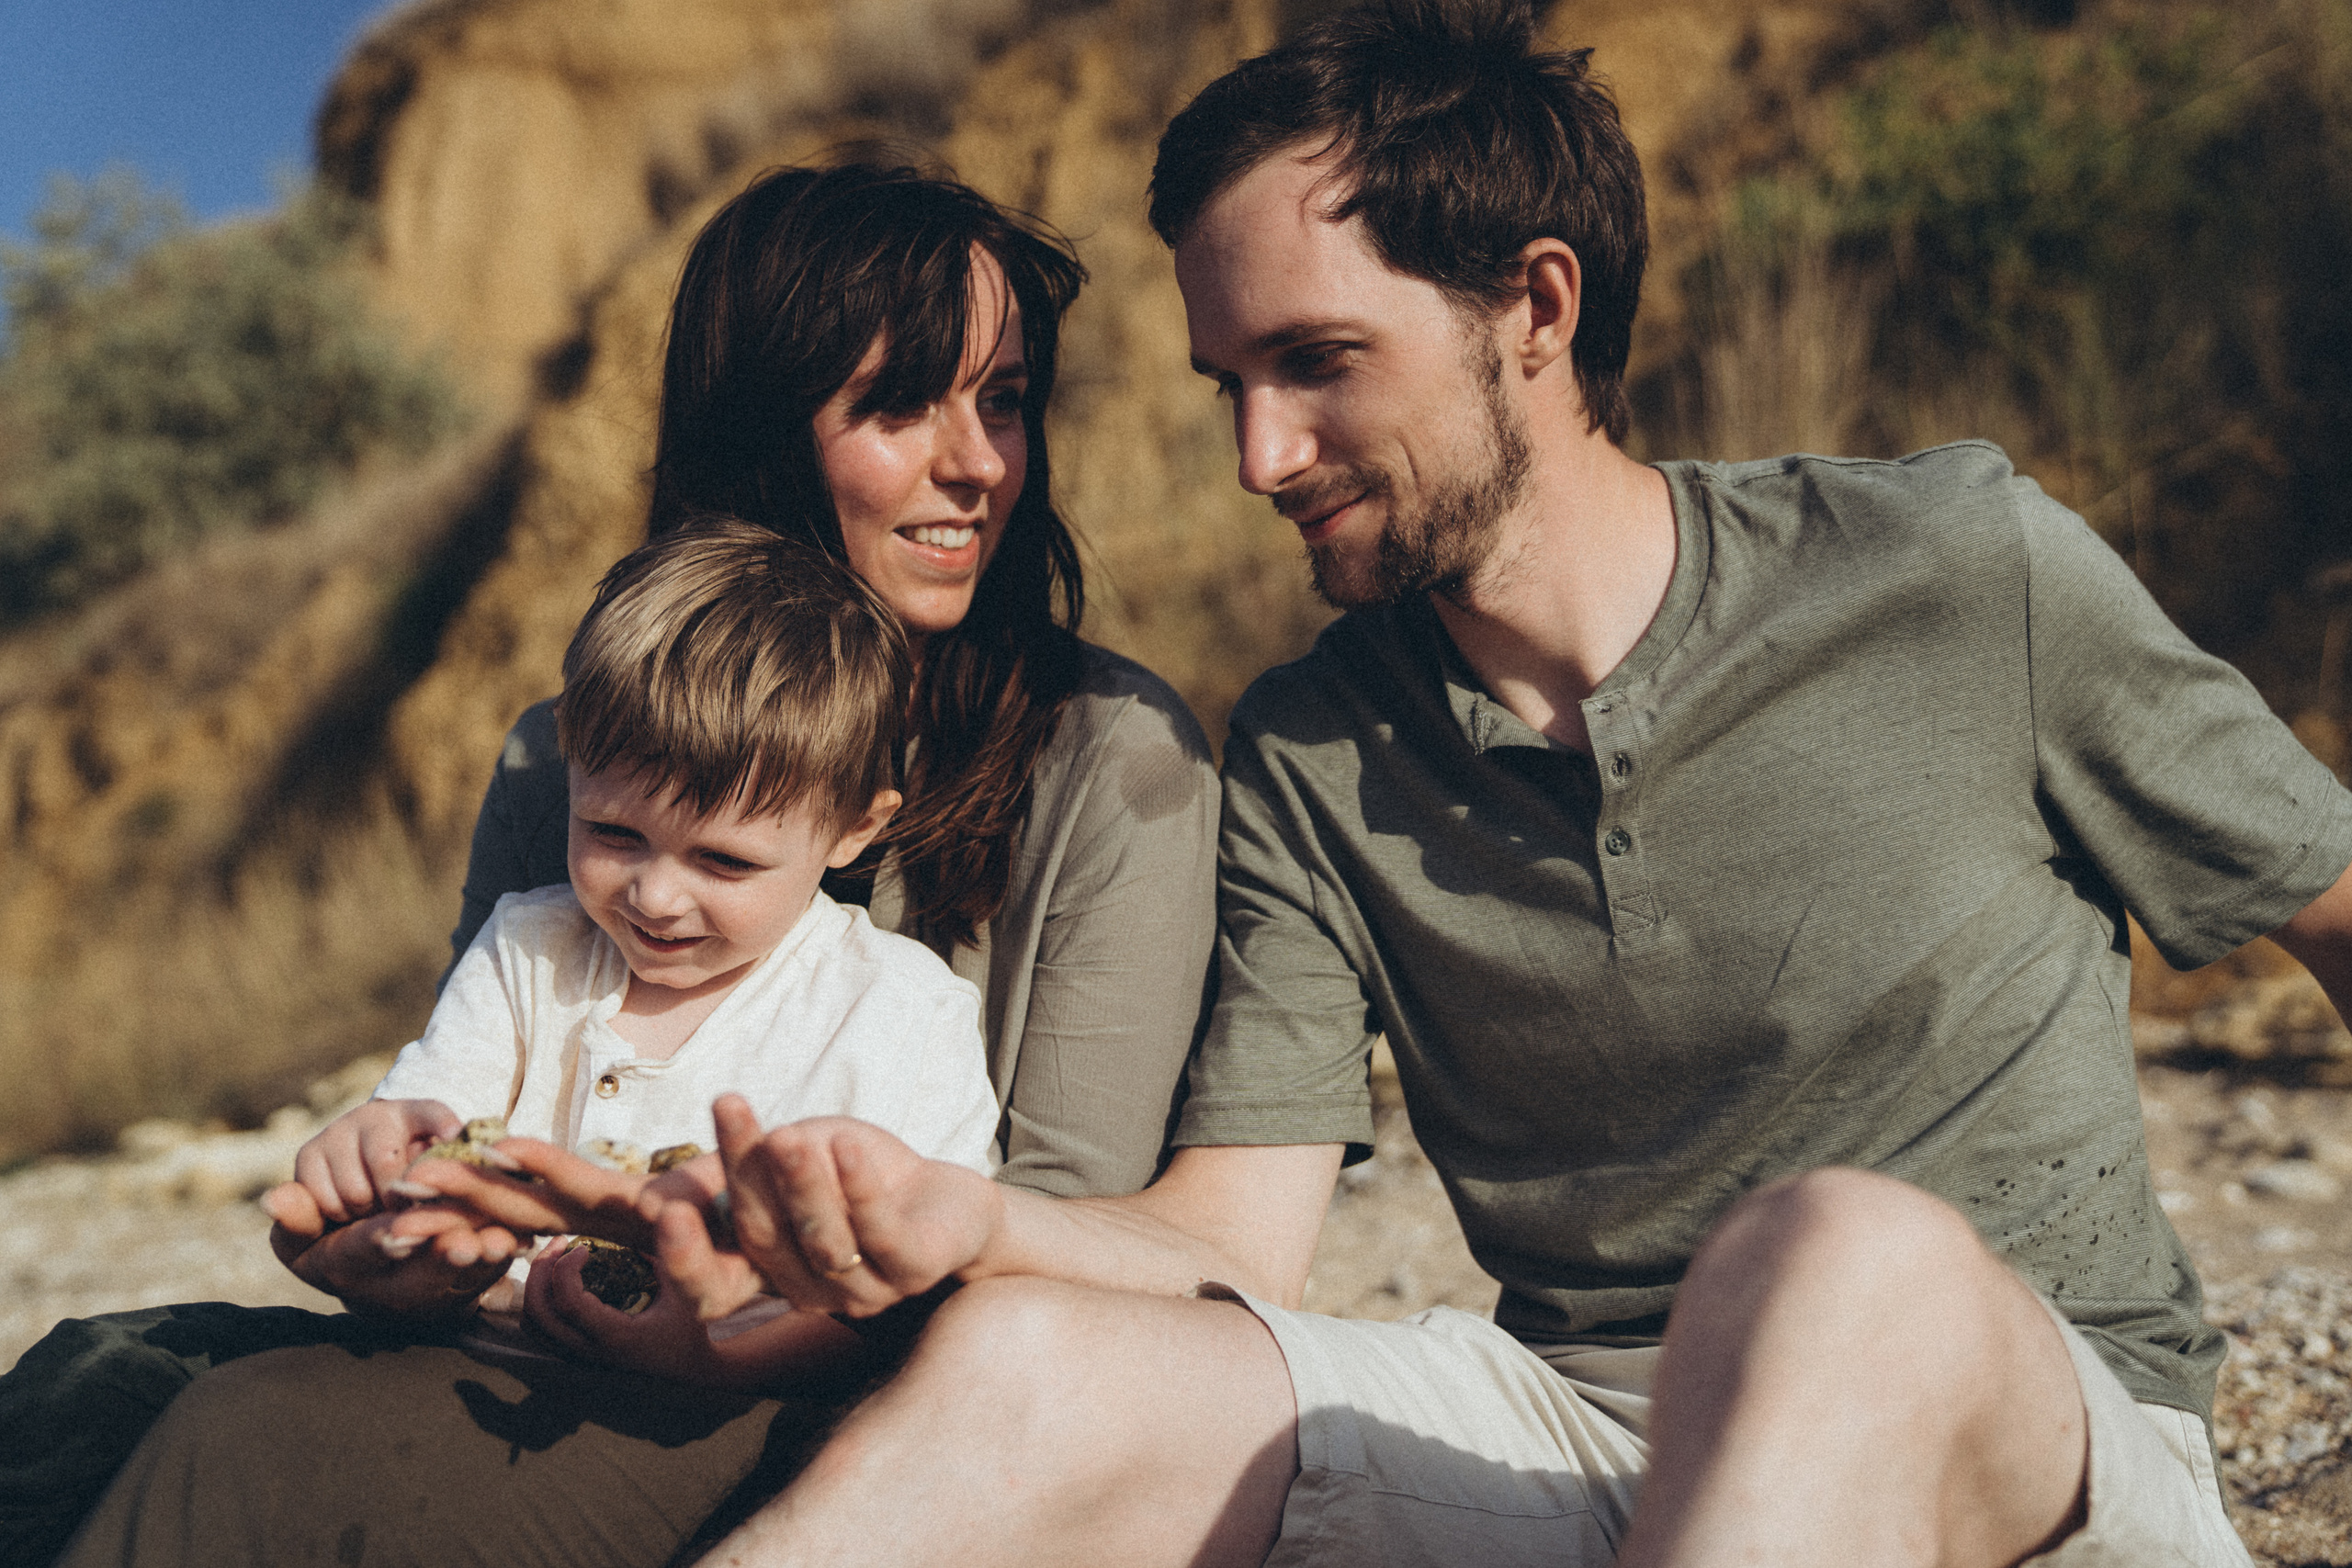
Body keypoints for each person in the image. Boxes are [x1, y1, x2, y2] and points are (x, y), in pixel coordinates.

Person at [404, 3, 2352, 1565]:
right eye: (1226, 387)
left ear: (1536, 307)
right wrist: (952, 1217)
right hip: (1561, 1437)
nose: (1260, 455)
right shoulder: (1314, 749)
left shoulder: (1952, 570)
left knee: (1832, 1256)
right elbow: (1226, 1254)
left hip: (2037, 1437)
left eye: (1317, 362)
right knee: (1029, 1356)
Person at [12, 163, 1217, 1567]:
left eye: (1003, 399)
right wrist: (389, 1241)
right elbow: (465, 1117)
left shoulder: (1109, 759)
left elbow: (1034, 1258)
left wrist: (730, 1331)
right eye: (900, 407)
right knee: (82, 1389)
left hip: (870, 1404)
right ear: (763, 424)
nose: (981, 463)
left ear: (857, 821)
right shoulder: (562, 757)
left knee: (250, 1442)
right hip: (515, 1345)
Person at [263, 520, 1000, 1386]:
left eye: (723, 861)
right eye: (614, 833)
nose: (655, 897)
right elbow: (431, 1135)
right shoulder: (529, 952)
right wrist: (383, 1172)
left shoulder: (900, 1012)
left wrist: (714, 1367)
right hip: (477, 1369)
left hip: (741, 1410)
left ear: (854, 828)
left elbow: (916, 1295)